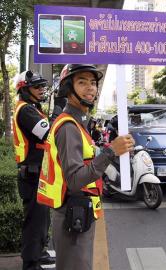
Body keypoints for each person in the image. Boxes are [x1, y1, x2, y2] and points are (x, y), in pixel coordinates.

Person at [36, 64, 134, 270]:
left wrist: (112, 151)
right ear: (68, 90)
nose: (90, 88)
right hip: (72, 214)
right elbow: (75, 180)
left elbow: (86, 159)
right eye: (82, 82)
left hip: (78, 213)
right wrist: (110, 152)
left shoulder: (78, 123)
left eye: (92, 83)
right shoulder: (68, 127)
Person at [13, 70, 65, 270]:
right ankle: (31, 263)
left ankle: (40, 253)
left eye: (42, 86)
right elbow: (48, 133)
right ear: (24, 90)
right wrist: (58, 112)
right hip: (31, 175)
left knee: (42, 220)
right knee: (34, 223)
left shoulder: (32, 109)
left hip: (37, 174)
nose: (42, 90)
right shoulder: (26, 111)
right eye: (37, 87)